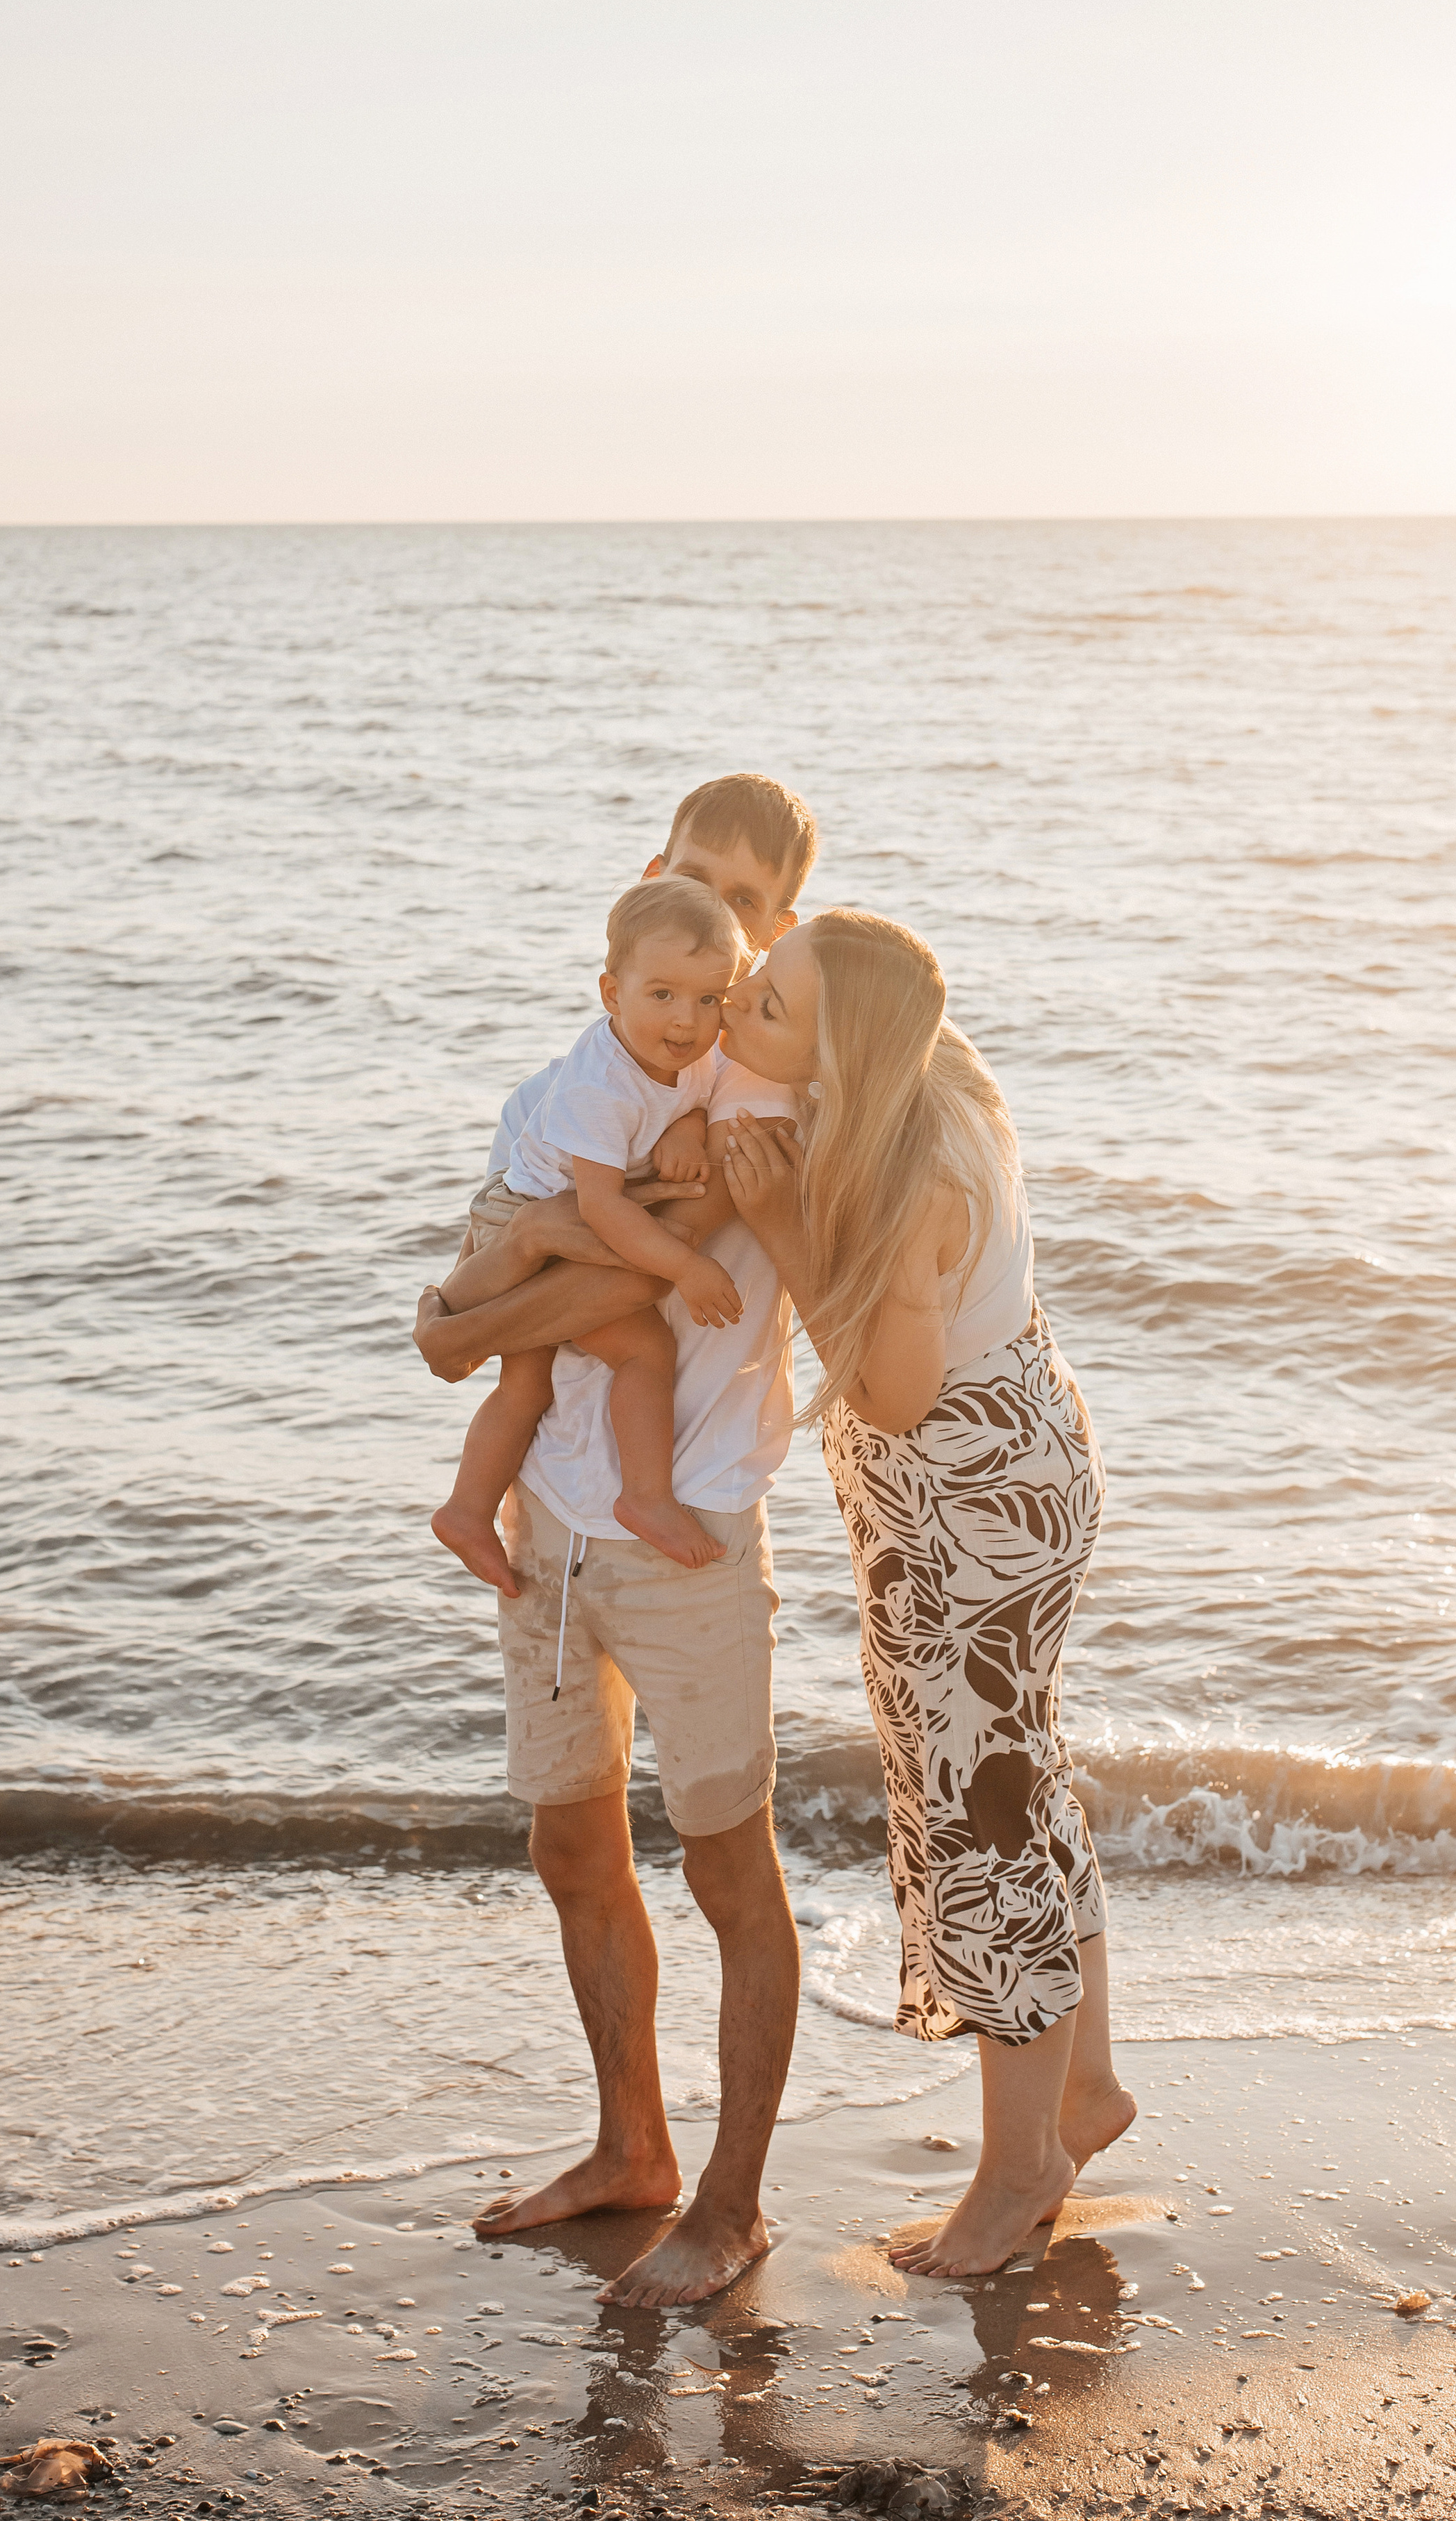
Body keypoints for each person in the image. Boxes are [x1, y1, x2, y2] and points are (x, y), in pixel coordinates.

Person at [411, 774, 818, 2308]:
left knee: (730, 1871)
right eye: (684, 879)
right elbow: (466, 1313)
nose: (708, 922)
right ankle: (631, 2151)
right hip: (552, 1525)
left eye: (740, 905)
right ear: (647, 888)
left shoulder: (749, 1111)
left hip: (688, 1527)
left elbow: (540, 1307)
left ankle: (730, 2205)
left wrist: (492, 1290)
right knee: (571, 1839)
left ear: (771, 939)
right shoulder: (575, 1089)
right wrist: (488, 1291)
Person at [719, 910, 1135, 2278]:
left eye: (767, 1006)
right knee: (1020, 1781)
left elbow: (891, 1392)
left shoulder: (914, 1173)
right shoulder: (920, 1065)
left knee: (982, 1822)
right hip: (1010, 1467)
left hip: (969, 1512)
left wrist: (778, 1220)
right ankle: (1079, 2090)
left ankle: (1018, 2176)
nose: (737, 1008)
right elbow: (826, 964)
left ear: (845, 1047)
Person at [430, 875, 748, 1585]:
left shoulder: (689, 1054)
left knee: (528, 1387)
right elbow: (603, 1208)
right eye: (661, 994)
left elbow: (690, 1093)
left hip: (565, 1209)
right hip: (524, 1220)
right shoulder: (598, 1087)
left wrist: (692, 1124)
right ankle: (644, 1495)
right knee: (642, 1350)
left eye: (708, 999)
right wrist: (685, 1269)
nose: (687, 1021)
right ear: (611, 994)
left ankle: (465, 1508)